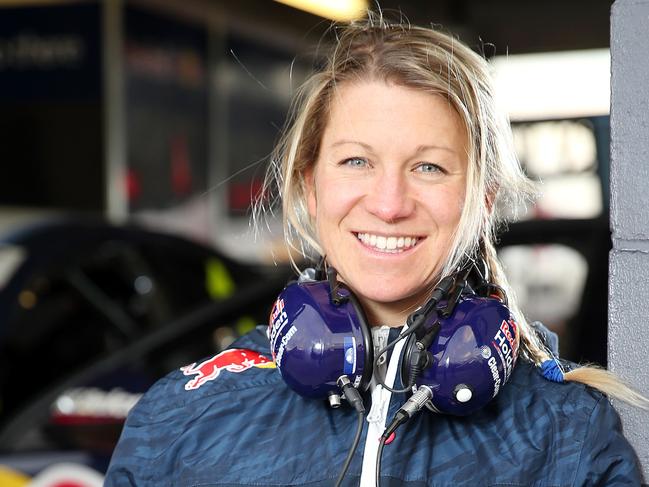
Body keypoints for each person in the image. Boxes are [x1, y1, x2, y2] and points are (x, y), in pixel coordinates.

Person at [105, 15, 647, 486]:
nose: (389, 205)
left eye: (428, 167)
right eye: (356, 161)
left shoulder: (567, 432)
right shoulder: (180, 419)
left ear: (482, 200)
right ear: (310, 185)